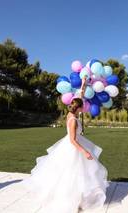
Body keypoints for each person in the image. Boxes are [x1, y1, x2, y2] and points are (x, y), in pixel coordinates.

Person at [22, 77, 108, 213]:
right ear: (79, 108)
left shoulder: (71, 113)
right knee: (73, 174)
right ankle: (70, 200)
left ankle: (79, 199)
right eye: (82, 106)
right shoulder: (73, 120)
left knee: (79, 174)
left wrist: (84, 84)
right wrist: (84, 151)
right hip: (73, 147)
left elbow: (79, 96)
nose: (84, 107)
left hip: (72, 144)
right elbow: (72, 140)